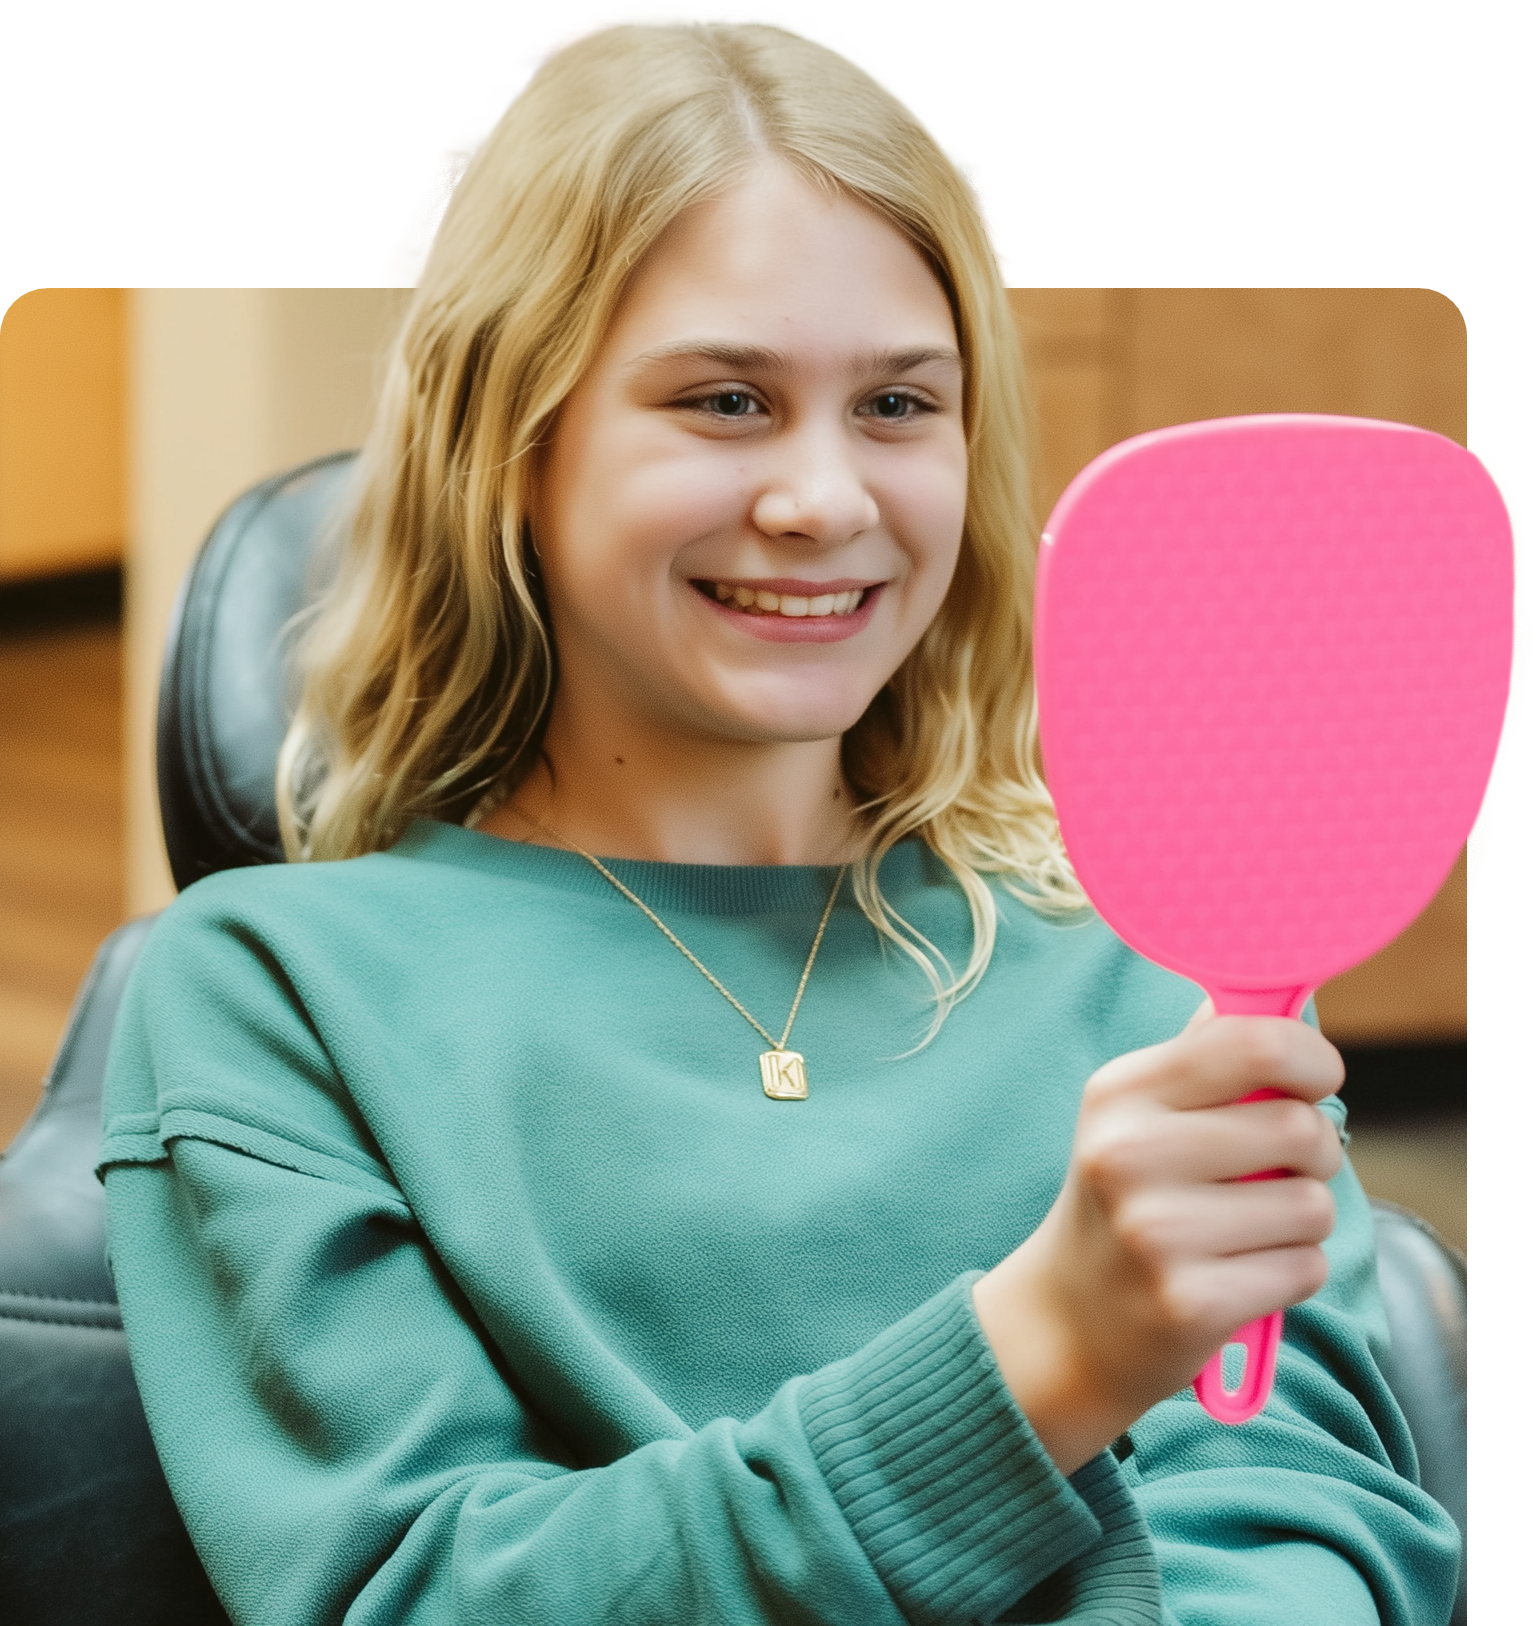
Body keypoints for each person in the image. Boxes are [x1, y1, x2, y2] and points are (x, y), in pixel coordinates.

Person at [100, 9, 1460, 1623]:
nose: (826, 499)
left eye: (898, 406)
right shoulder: (269, 999)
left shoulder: (1141, 969)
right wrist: (1046, 1356)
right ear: (508, 446)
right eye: (726, 401)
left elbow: (1307, 1518)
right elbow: (422, 1592)